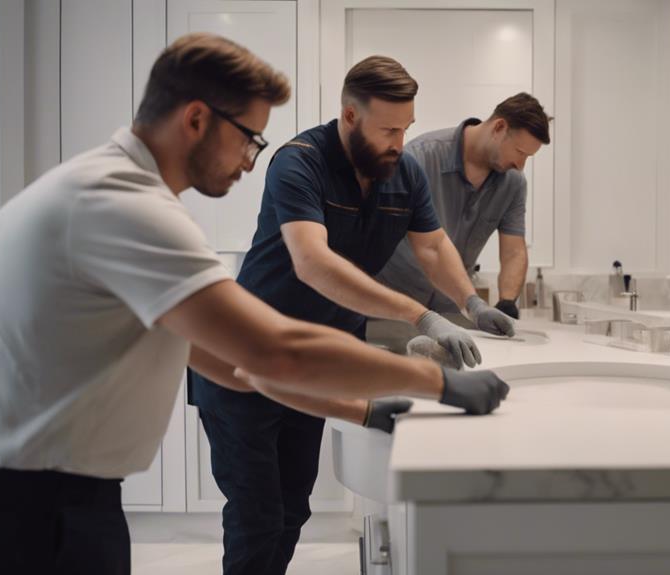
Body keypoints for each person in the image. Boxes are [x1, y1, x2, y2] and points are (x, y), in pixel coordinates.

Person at [0, 34, 508, 575]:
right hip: (37, 506)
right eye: (250, 137)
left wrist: (363, 409)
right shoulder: (125, 208)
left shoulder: (102, 189)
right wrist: (437, 383)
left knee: (284, 513)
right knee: (257, 518)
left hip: (49, 494)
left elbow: (229, 364)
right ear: (197, 120)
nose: (252, 161)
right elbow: (274, 350)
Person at [189, 54, 517, 575]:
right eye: (388, 129)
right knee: (257, 517)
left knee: (292, 508)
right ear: (348, 117)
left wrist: (471, 303)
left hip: (319, 364)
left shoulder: (403, 172)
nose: (399, 142)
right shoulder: (299, 162)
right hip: (245, 360)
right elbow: (312, 264)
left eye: (405, 127)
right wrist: (421, 316)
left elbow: (432, 248)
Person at [375, 93, 551, 319]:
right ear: (499, 127)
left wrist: (507, 301)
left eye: (529, 157)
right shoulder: (419, 158)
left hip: (453, 309)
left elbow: (513, 251)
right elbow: (379, 234)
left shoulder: (513, 184)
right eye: (520, 152)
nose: (520, 165)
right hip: (392, 307)